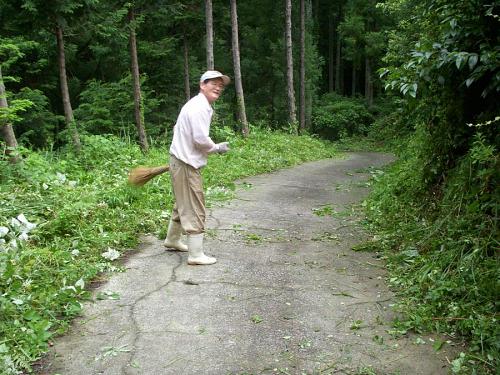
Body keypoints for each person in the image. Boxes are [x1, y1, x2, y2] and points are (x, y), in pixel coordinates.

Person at [163, 70, 231, 265]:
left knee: (182, 203)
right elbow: (200, 139)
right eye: (213, 83)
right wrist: (216, 148)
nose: (218, 87)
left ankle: (172, 239)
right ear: (202, 84)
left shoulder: (198, 104)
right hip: (185, 164)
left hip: (180, 161)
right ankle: (195, 254)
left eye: (221, 85)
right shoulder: (199, 107)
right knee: (194, 206)